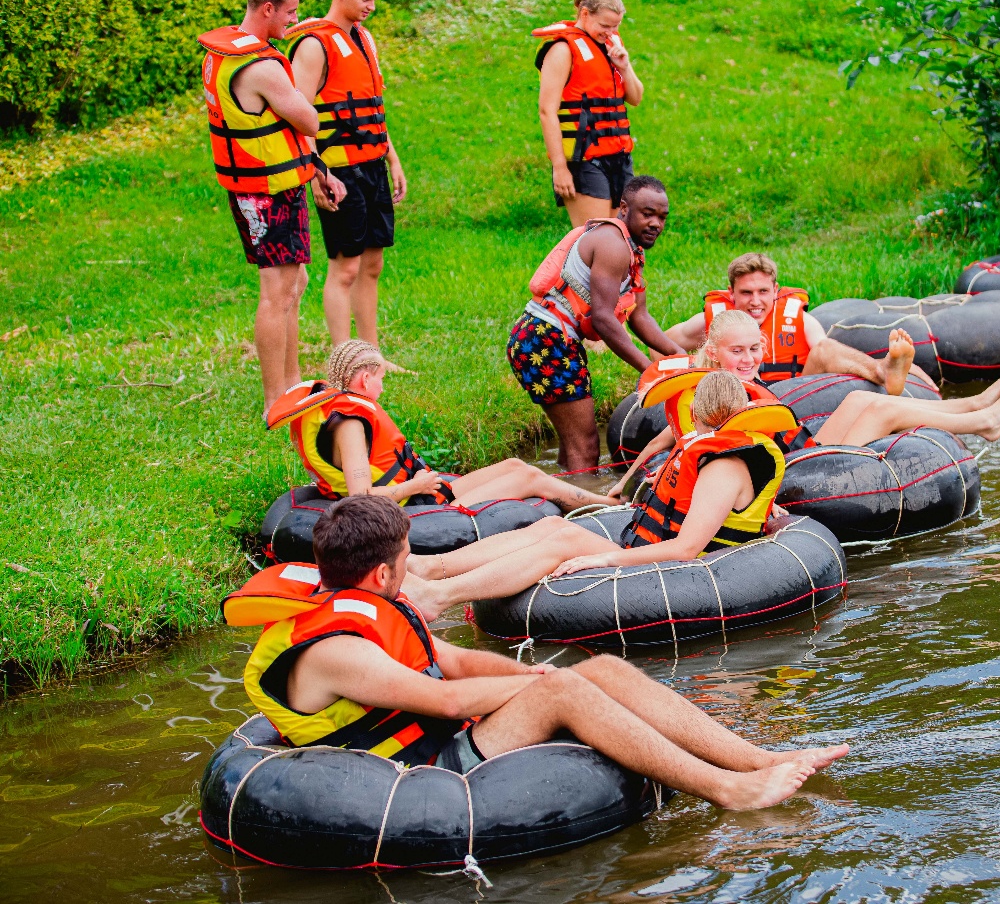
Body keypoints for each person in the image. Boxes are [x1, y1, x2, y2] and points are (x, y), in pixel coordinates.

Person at [238, 495, 846, 809]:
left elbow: (457, 663)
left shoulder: (372, 604)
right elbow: (444, 700)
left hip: (439, 738)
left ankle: (758, 758)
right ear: (380, 573)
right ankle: (726, 790)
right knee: (566, 685)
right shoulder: (335, 649)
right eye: (405, 560)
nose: (409, 569)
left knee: (601, 669)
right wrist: (543, 687)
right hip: (409, 777)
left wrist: (534, 675)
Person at [401, 372, 789, 619]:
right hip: (658, 552)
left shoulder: (724, 466)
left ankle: (439, 596)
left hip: (690, 575)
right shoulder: (717, 449)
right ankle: (429, 567)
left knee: (567, 539)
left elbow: (686, 549)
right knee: (552, 525)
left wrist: (603, 558)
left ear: (699, 415)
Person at [610, 311, 1000, 498]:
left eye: (755, 348)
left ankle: (974, 403)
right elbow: (681, 439)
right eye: (737, 351)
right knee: (881, 410)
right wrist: (639, 480)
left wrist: (622, 479)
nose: (749, 359)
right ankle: (984, 423)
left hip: (806, 447)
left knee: (859, 398)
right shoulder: (719, 392)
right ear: (715, 353)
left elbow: (666, 438)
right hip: (796, 472)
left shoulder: (733, 380)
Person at [199, 0, 348, 418]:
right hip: (265, 192)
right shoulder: (261, 67)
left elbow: (278, 131)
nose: (294, 20)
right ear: (268, 8)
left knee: (295, 283)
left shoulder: (222, 54)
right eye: (290, 11)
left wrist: (317, 169)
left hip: (271, 183)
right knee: (277, 293)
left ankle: (292, 385)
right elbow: (309, 120)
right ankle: (274, 403)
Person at [268, 339, 617, 511]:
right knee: (530, 479)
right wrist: (414, 485)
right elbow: (361, 497)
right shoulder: (350, 424)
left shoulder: (342, 412)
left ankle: (603, 499)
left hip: (421, 494)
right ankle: (608, 505)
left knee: (515, 465)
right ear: (364, 379)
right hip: (411, 509)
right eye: (381, 379)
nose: (382, 388)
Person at [507, 175, 685, 471]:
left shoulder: (631, 249)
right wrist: (649, 371)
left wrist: (678, 355)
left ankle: (566, 485)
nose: (656, 224)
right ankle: (580, 497)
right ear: (624, 209)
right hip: (545, 340)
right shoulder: (612, 245)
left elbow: (639, 316)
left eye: (662, 217)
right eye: (648, 214)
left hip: (547, 339)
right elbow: (603, 319)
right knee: (586, 446)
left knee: (575, 444)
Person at [286, 0, 408, 366]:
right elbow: (298, 115)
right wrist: (316, 174)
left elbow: (370, 105)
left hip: (372, 165)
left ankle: (371, 357)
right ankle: (345, 361)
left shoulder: (364, 38)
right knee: (346, 268)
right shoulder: (313, 45)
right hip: (337, 172)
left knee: (372, 264)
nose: (371, 7)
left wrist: (392, 158)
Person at [660, 252, 937, 394]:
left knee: (824, 348)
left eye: (763, 292)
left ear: (775, 290)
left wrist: (906, 368)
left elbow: (831, 354)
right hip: (733, 399)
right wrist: (689, 378)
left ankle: (883, 371)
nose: (755, 301)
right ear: (731, 293)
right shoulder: (716, 319)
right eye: (746, 293)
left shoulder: (798, 319)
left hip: (793, 396)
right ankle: (882, 370)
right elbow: (658, 345)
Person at [534, 0, 642, 227]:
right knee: (596, 237)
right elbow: (546, 111)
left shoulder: (611, 47)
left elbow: (635, 98)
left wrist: (624, 66)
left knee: (623, 237)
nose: (611, 32)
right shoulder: (562, 50)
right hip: (584, 159)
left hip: (619, 157)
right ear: (584, 14)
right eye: (605, 25)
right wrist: (559, 168)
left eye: (616, 26)